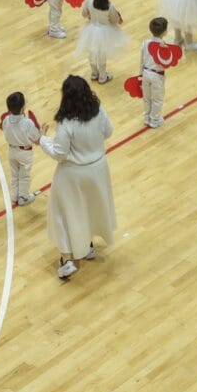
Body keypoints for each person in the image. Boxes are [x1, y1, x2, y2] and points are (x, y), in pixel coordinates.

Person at [44, 73, 116, 280]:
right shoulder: (99, 111)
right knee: (90, 208)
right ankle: (88, 247)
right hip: (98, 169)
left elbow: (60, 153)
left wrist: (43, 140)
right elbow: (108, 132)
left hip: (72, 174)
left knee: (63, 213)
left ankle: (67, 259)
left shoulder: (66, 123)